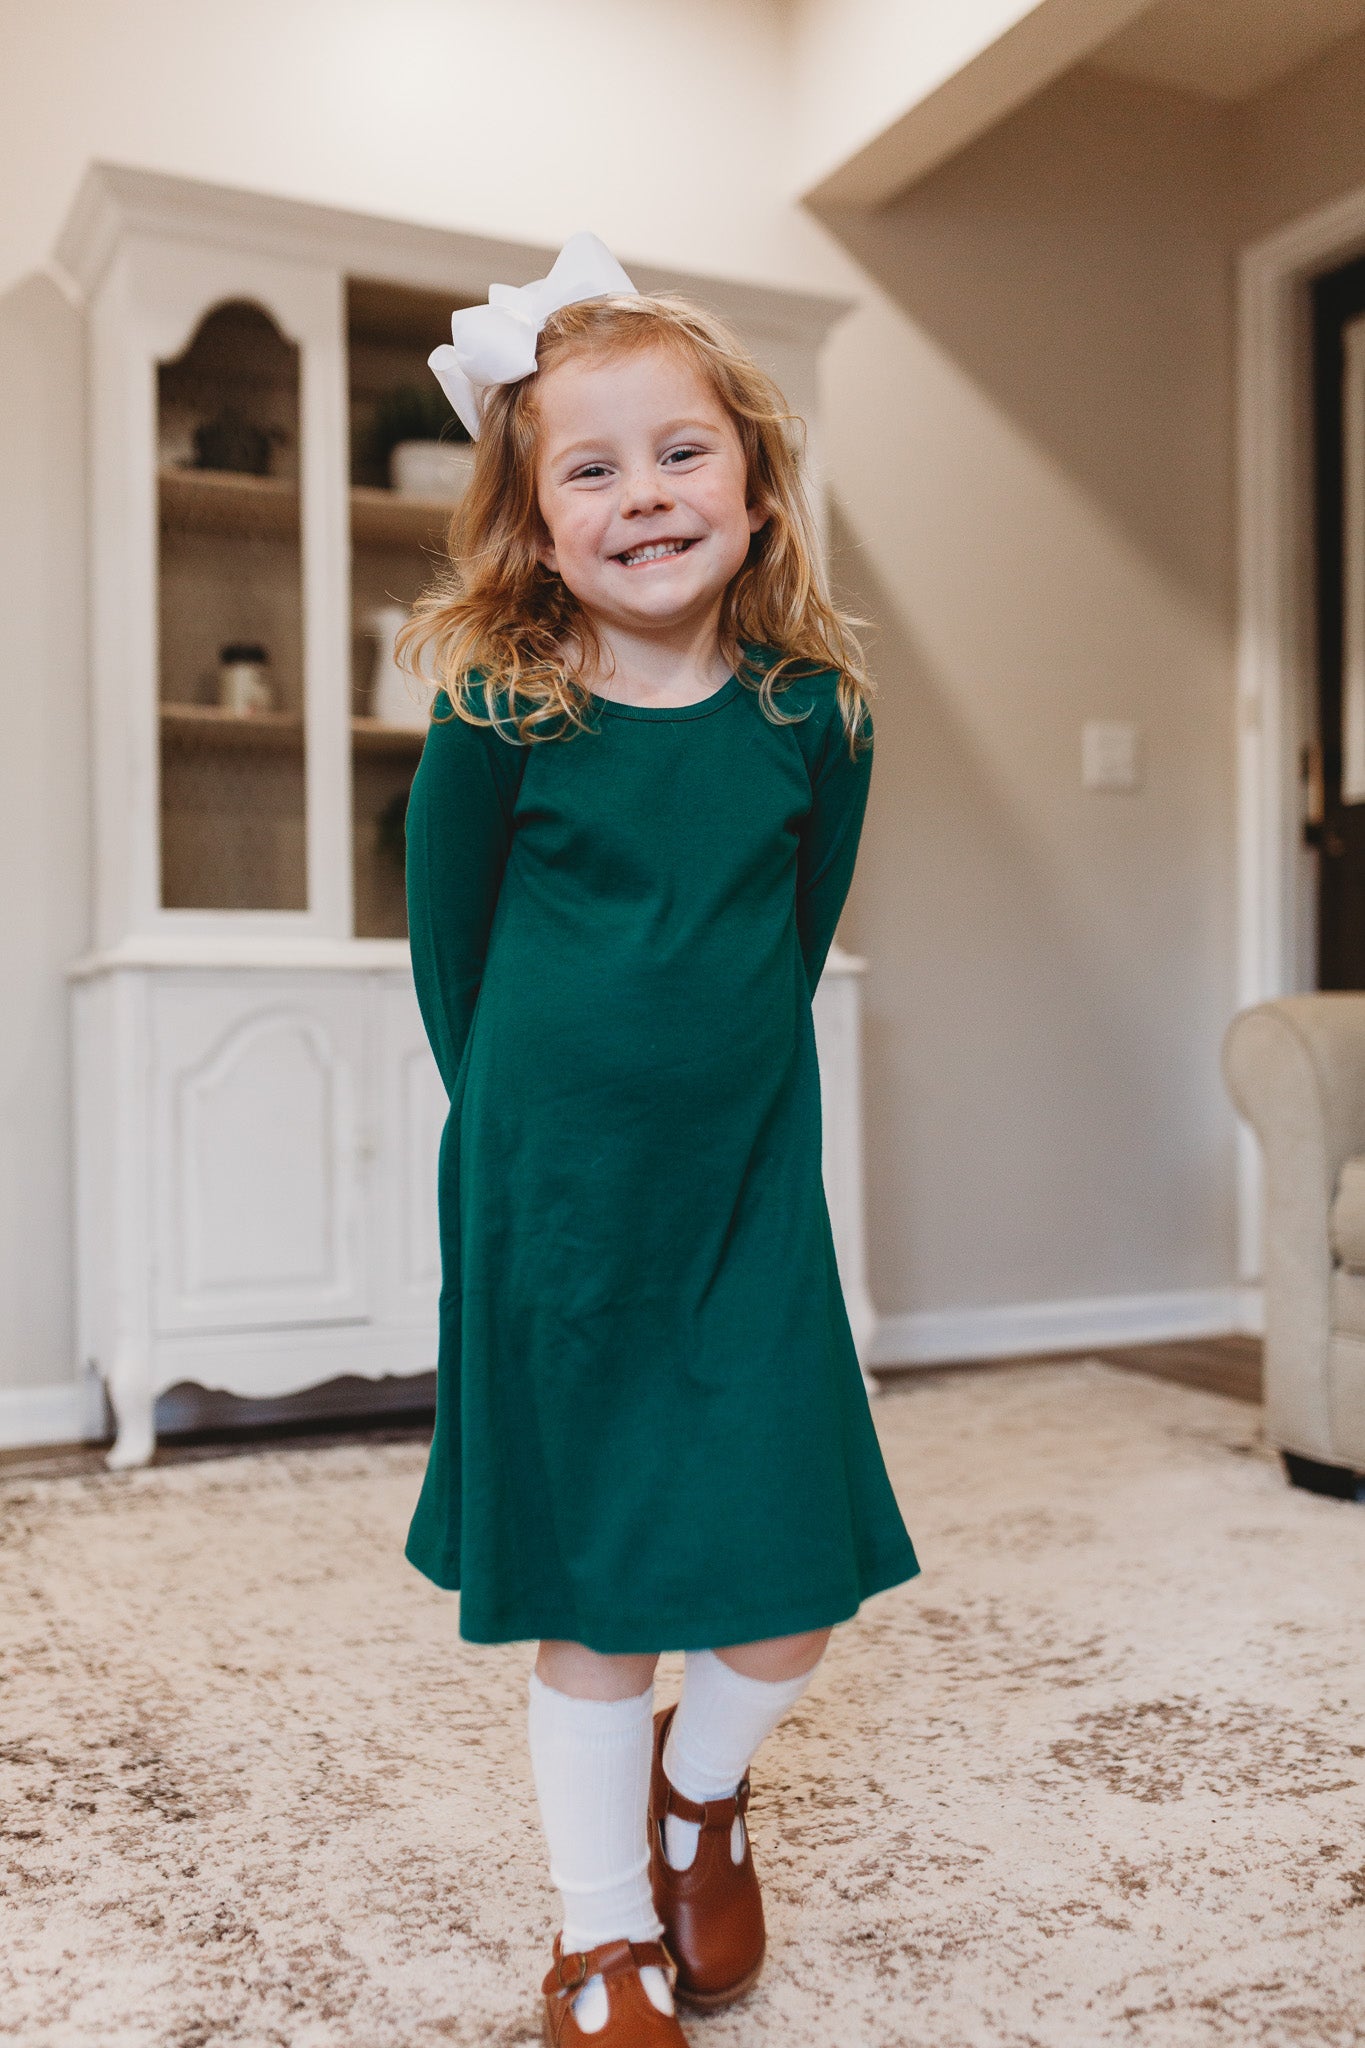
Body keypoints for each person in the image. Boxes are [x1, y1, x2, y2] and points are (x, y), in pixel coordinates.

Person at [398, 234, 920, 2046]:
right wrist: (538, 1151)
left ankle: (703, 1796)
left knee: (790, 1590)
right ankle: (600, 1927)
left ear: (756, 490)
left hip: (747, 1204)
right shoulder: (496, 713)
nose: (643, 498)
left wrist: (713, 1122)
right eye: (590, 471)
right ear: (538, 530)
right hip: (557, 1212)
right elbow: (452, 959)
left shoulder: (816, 717)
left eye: (679, 454)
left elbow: (788, 941)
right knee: (597, 1597)